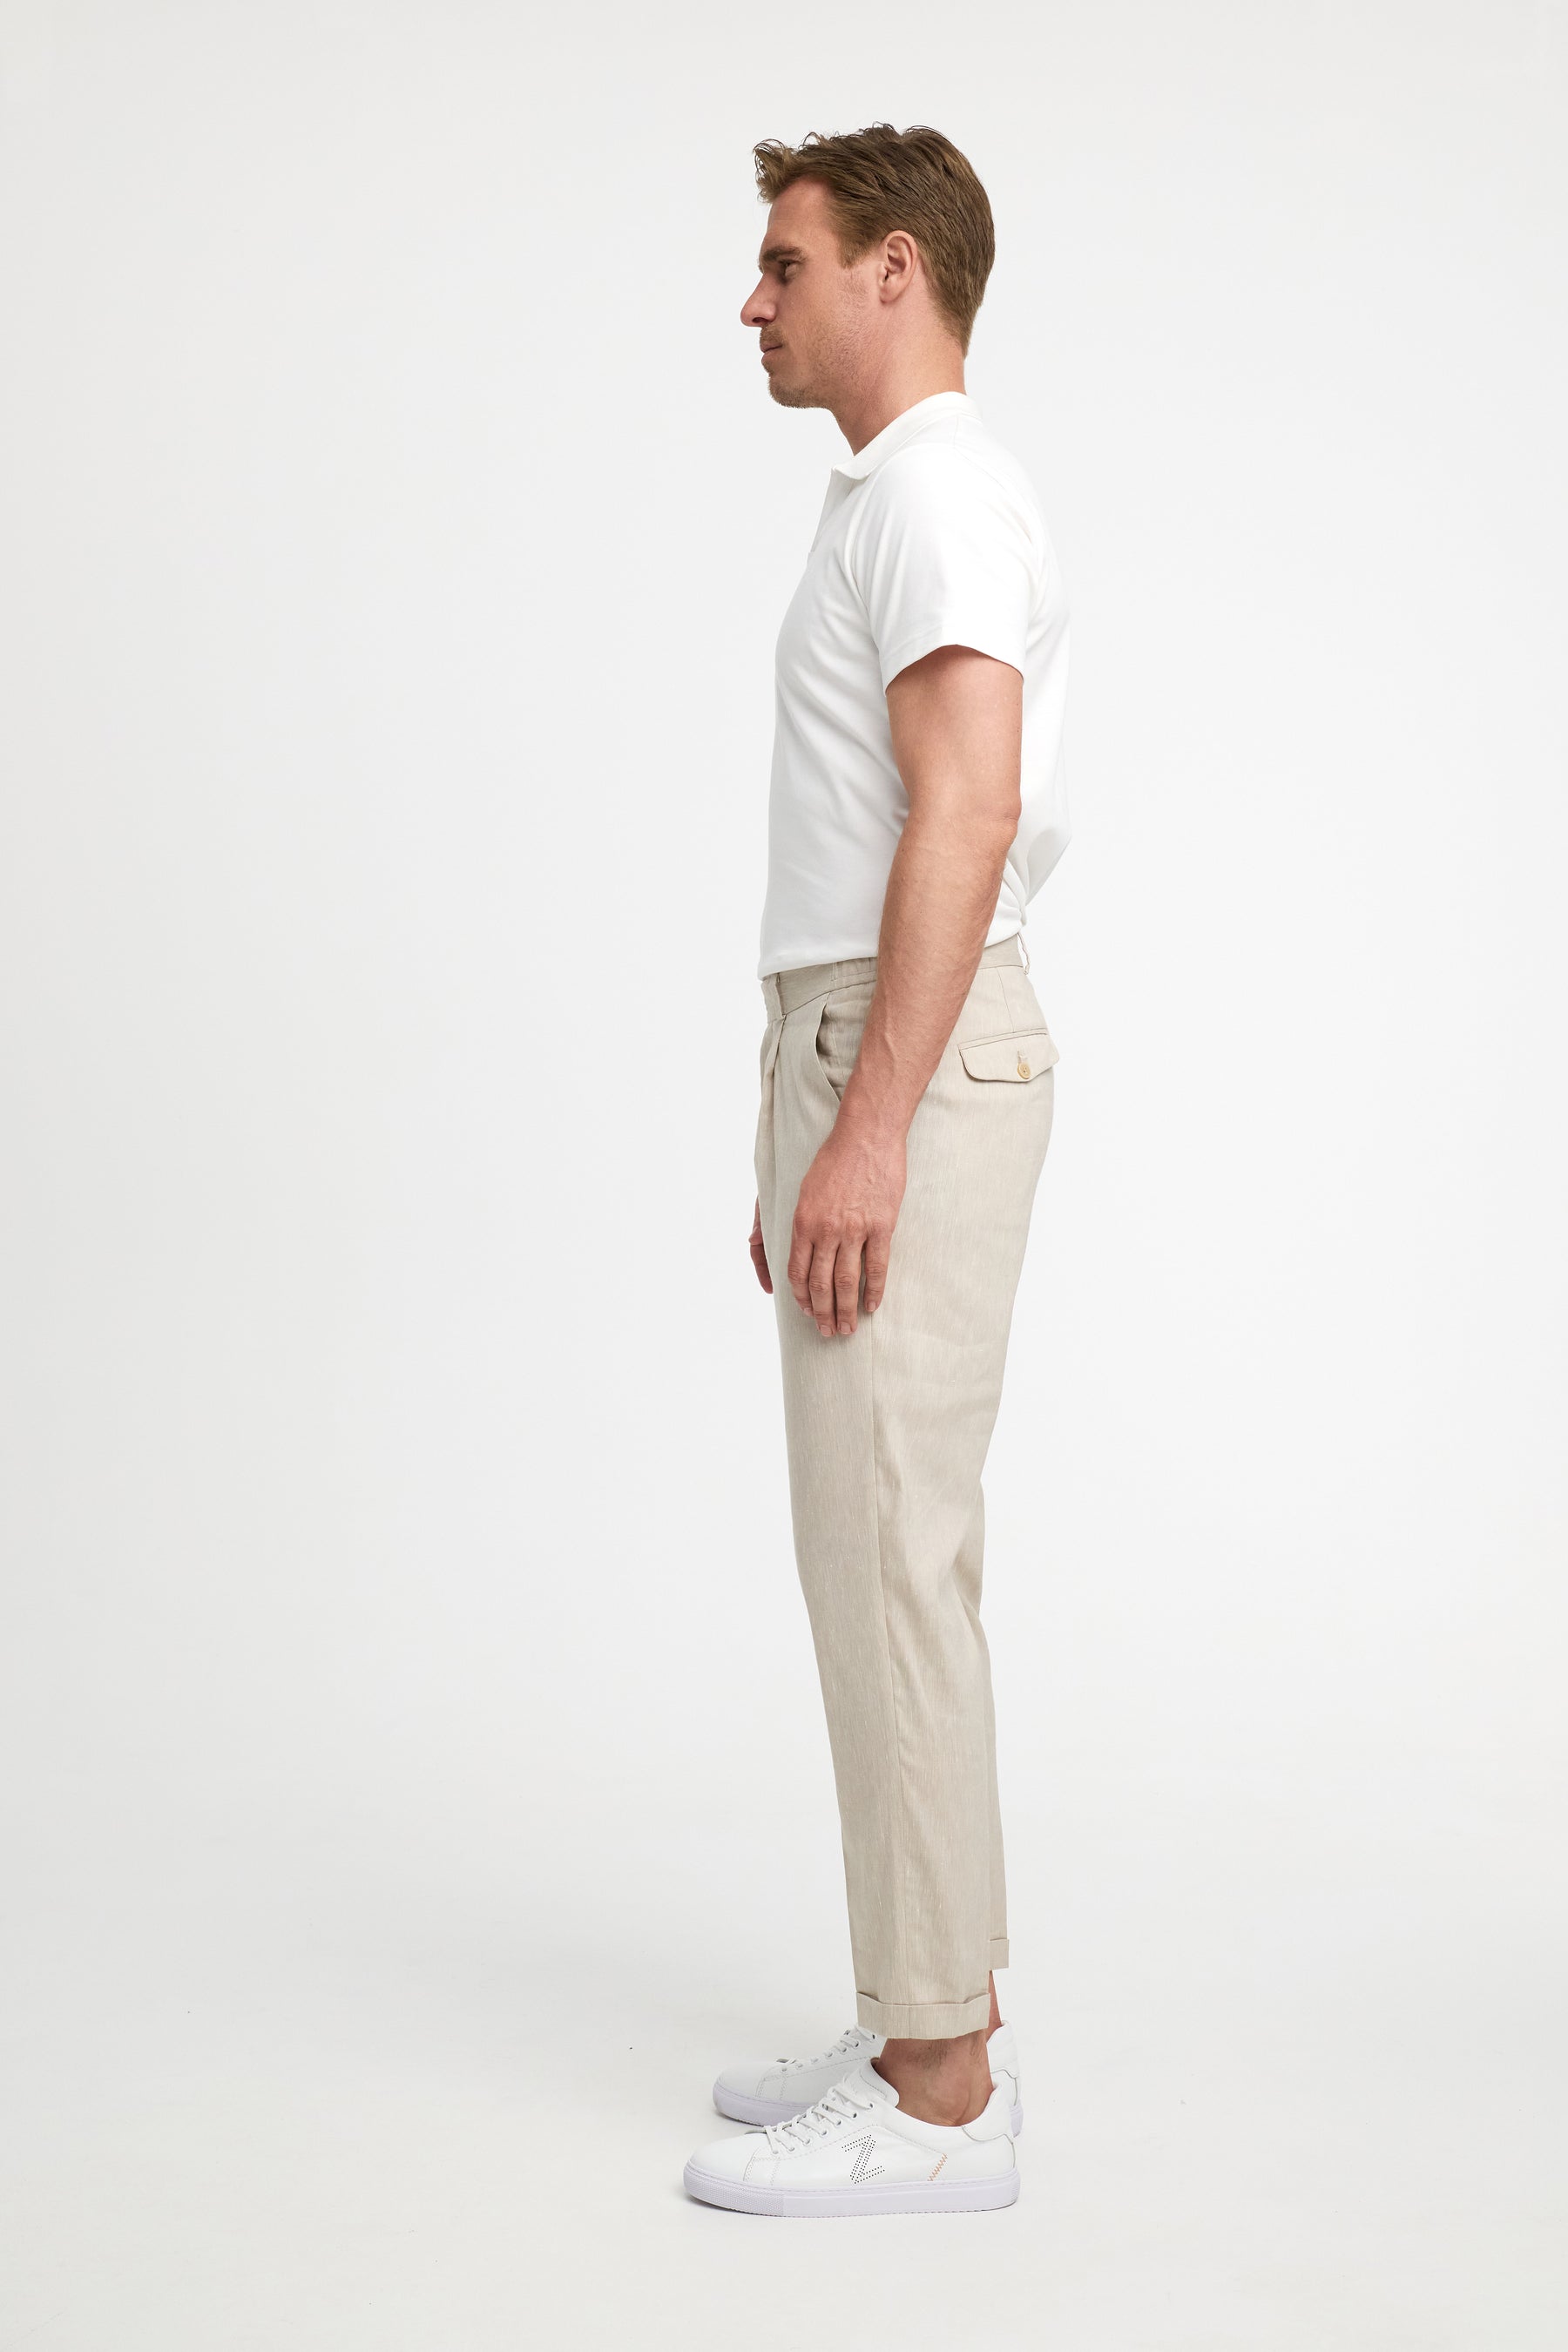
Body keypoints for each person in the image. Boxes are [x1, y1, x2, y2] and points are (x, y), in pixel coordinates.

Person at [683, 123, 1071, 2219]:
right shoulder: (893, 497)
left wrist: (869, 1121)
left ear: (893, 269)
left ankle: (941, 2104)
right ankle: (922, 2007)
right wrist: (811, 1104)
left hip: (898, 1048)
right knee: (869, 1555)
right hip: (858, 1037)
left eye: (786, 262)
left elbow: (967, 814)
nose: (753, 302)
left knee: (894, 1554)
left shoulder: (934, 495)